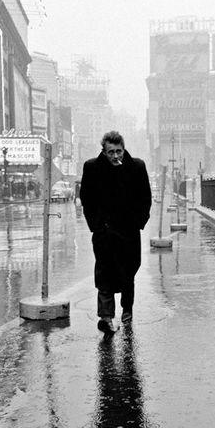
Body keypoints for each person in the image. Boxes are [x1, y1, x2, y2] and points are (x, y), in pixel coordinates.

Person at [79, 131, 152, 333]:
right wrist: (96, 225)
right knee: (104, 273)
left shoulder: (137, 166)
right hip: (105, 232)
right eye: (111, 152)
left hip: (128, 232)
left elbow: (145, 197)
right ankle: (106, 317)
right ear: (104, 151)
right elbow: (86, 198)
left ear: (124, 148)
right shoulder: (92, 167)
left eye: (118, 151)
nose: (115, 156)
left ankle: (127, 309)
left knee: (129, 271)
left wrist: (138, 222)